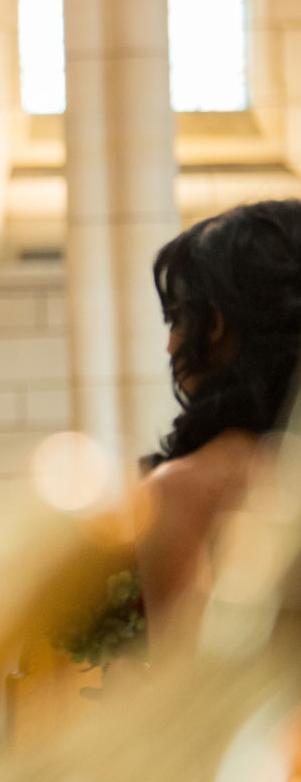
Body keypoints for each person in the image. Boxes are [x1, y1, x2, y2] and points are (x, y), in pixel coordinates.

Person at [137, 201, 301, 655]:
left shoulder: (186, 489)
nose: (171, 345)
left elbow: (193, 688)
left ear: (217, 325)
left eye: (177, 319)